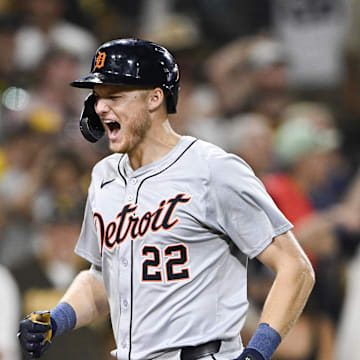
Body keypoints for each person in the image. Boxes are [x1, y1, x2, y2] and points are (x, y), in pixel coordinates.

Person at [17, 38, 315, 360]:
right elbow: (104, 276)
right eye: (98, 96)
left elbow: (294, 267)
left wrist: (257, 353)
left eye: (115, 95)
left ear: (155, 98)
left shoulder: (213, 170)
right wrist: (57, 319)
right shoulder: (104, 177)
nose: (101, 107)